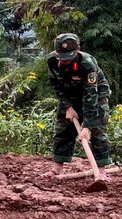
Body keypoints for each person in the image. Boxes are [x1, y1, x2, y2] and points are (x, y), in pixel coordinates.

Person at [42, 33, 112, 180]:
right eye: (61, 55)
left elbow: (90, 95)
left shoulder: (87, 63)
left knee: (97, 129)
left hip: (96, 94)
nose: (65, 60)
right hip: (69, 95)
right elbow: (56, 86)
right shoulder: (52, 61)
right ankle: (57, 169)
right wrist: (67, 107)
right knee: (62, 128)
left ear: (78, 49)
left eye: (68, 56)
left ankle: (101, 171)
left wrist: (87, 126)